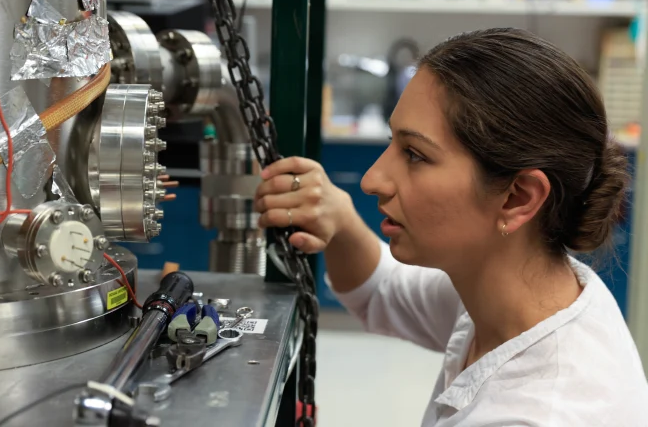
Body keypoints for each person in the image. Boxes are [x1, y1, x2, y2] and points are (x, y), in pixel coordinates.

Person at [254, 28, 648, 426]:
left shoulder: (536, 413)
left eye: (415, 154)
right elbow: (383, 293)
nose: (372, 179)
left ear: (518, 197)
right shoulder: (528, 290)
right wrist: (338, 218)